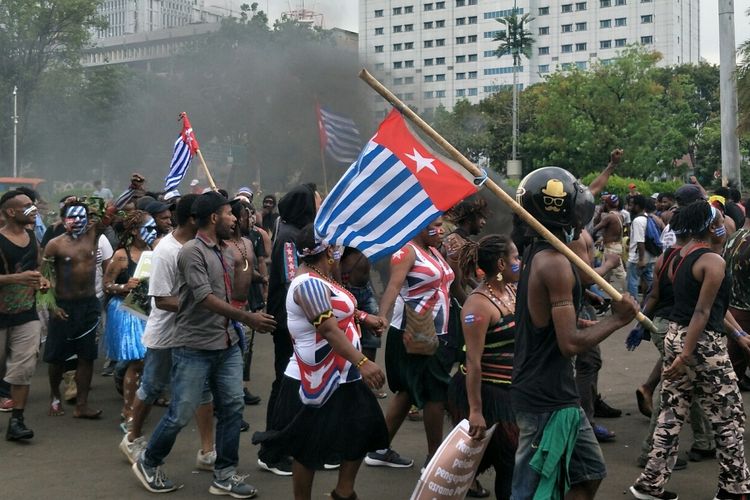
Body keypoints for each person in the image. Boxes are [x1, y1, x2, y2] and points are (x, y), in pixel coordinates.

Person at [132, 191, 276, 496]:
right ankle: (149, 460)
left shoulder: (226, 250)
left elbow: (234, 287)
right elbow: (204, 298)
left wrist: (251, 262)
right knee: (181, 412)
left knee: (233, 408)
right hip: (194, 346)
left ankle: (224, 474)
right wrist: (247, 317)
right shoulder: (191, 253)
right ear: (213, 218)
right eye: (229, 213)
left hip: (226, 343)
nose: (235, 218)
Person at [511, 167, 638, 500]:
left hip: (555, 392)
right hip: (545, 397)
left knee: (589, 474)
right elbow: (569, 344)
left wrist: (579, 319)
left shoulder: (539, 251)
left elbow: (547, 324)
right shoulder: (552, 261)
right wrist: (617, 319)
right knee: (533, 489)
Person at [258, 224, 389, 500]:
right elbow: (328, 329)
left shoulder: (323, 278)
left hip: (345, 376)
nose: (340, 253)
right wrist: (363, 361)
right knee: (308, 450)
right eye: (336, 247)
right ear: (328, 251)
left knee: (362, 431)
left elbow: (340, 311)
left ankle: (343, 493)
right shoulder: (307, 283)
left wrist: (365, 319)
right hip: (313, 380)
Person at [630, 200, 750, 500]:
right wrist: (687, 353)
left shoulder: (678, 255)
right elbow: (701, 312)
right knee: (729, 415)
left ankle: (649, 484)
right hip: (701, 344)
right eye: (721, 219)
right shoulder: (713, 261)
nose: (726, 225)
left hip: (676, 335)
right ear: (711, 227)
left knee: (672, 412)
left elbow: (712, 307)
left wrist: (739, 334)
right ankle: (734, 488)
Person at [119, 194, 217, 472]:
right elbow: (161, 299)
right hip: (166, 334)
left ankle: (208, 450)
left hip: (195, 333)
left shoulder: (201, 246)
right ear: (193, 219)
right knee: (151, 385)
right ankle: (133, 438)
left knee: (204, 389)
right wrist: (207, 305)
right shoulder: (166, 250)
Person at [366, 217, 454, 469]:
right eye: (433, 225)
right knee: (434, 394)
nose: (440, 230)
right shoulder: (406, 251)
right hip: (414, 332)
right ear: (418, 225)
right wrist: (381, 316)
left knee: (407, 391)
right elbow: (393, 287)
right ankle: (434, 459)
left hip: (437, 331)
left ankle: (379, 448)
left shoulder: (434, 250)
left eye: (441, 225)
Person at [446, 234, 521, 500]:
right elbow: (473, 362)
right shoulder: (477, 305)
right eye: (515, 258)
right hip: (484, 395)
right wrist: (475, 411)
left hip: (509, 391)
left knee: (507, 461)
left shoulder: (512, 290)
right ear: (501, 264)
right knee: (489, 462)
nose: (519, 262)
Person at [43, 201, 103, 419]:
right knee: (57, 357)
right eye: (72, 217)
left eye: (82, 217)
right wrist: (52, 306)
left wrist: (132, 189)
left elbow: (111, 212)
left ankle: (82, 404)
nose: (77, 221)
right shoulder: (54, 245)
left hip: (89, 305)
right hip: (63, 306)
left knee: (87, 356)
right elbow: (44, 279)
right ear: (62, 219)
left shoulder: (92, 236)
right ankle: (54, 397)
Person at [0, 190, 48, 440]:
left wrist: (42, 281)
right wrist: (15, 278)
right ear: (11, 212)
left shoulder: (31, 237)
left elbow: (38, 266)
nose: (33, 209)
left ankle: (17, 422)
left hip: (27, 314)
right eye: (27, 206)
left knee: (24, 367)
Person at [103, 210, 156, 430]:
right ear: (135, 231)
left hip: (149, 310)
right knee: (137, 361)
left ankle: (135, 406)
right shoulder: (121, 255)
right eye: (149, 229)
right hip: (126, 312)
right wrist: (124, 287)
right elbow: (106, 284)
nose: (153, 233)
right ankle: (128, 412)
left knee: (144, 362)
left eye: (155, 229)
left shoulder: (154, 252)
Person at [340, 247, 385, 399]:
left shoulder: (365, 239)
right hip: (348, 291)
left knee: (373, 337)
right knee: (349, 338)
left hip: (365, 291)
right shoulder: (343, 240)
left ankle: (368, 383)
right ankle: (353, 382)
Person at [724, 202, 750, 388]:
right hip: (746, 312)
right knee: (730, 374)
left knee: (733, 365)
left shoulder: (734, 237)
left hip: (732, 309)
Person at [592, 194, 627, 293]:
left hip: (611, 248)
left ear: (606, 204)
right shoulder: (620, 215)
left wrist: (600, 212)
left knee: (620, 273)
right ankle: (600, 294)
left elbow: (595, 228)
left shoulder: (609, 217)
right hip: (616, 246)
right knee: (605, 272)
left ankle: (625, 294)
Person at [627, 195, 655, 298]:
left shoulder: (638, 220)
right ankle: (649, 304)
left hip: (637, 258)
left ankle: (633, 307)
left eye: (631, 205)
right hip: (650, 257)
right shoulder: (648, 217)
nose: (629, 207)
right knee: (650, 283)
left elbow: (640, 241)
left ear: (637, 206)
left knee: (632, 282)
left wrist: (641, 259)